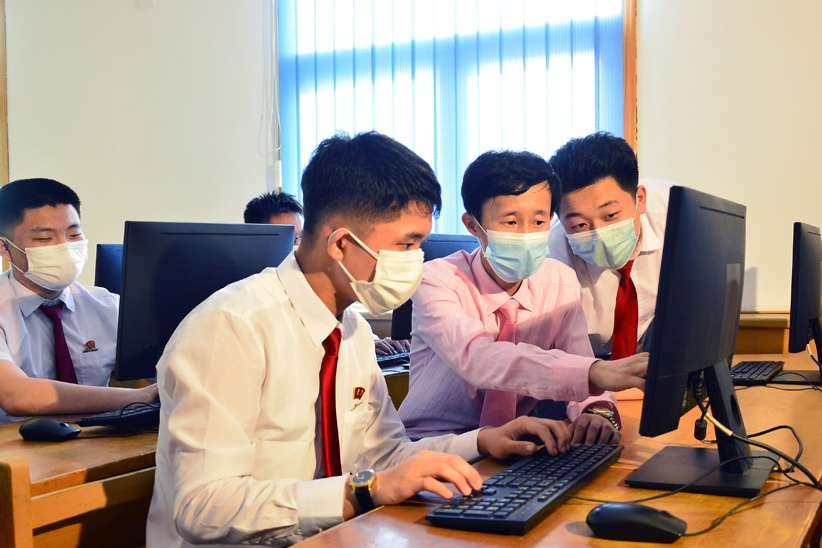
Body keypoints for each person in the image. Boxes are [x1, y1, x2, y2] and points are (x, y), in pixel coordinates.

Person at [147, 133, 632, 547]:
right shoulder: (231, 327)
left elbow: (387, 457)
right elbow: (202, 507)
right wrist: (365, 490)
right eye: (407, 244)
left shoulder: (351, 330)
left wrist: (483, 441)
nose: (417, 259)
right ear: (341, 244)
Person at [399, 151, 647, 442]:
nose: (527, 234)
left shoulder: (559, 280)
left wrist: (596, 410)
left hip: (514, 441)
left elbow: (579, 360)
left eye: (539, 222)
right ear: (473, 225)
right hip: (433, 442)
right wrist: (593, 373)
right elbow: (479, 357)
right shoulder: (435, 279)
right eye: (511, 223)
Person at [0, 178, 157, 424]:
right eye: (44, 239)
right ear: (4, 247)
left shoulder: (107, 305)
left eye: (74, 234)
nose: (64, 247)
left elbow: (162, 372)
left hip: (93, 441)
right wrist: (140, 396)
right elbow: (15, 394)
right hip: (11, 444)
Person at [548, 132, 671, 359]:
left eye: (611, 215)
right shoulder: (551, 256)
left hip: (655, 354)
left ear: (640, 200)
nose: (599, 234)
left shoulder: (674, 219)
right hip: (587, 362)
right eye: (579, 225)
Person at [244, 189, 410, 357]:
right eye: (289, 239)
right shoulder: (245, 315)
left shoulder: (346, 316)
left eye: (301, 236)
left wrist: (369, 344)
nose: (297, 245)